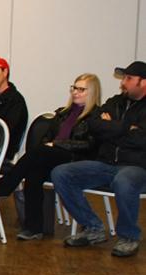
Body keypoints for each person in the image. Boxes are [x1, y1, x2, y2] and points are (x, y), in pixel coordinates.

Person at [52, 61, 146, 257]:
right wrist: (127, 128)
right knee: (61, 173)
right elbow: (94, 126)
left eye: (129, 79)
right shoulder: (115, 101)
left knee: (124, 180)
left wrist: (112, 126)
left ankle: (129, 236)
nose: (123, 83)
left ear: (143, 82)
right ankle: (93, 227)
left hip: (136, 167)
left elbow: (141, 140)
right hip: (106, 164)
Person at [0, 73, 101, 240]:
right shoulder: (62, 113)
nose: (75, 92)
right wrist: (51, 145)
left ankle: (4, 187)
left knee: (38, 152)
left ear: (92, 92)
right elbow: (47, 138)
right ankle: (34, 227)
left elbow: (89, 145)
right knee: (33, 173)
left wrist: (57, 145)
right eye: (74, 88)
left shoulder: (96, 117)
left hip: (76, 160)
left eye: (81, 89)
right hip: (54, 156)